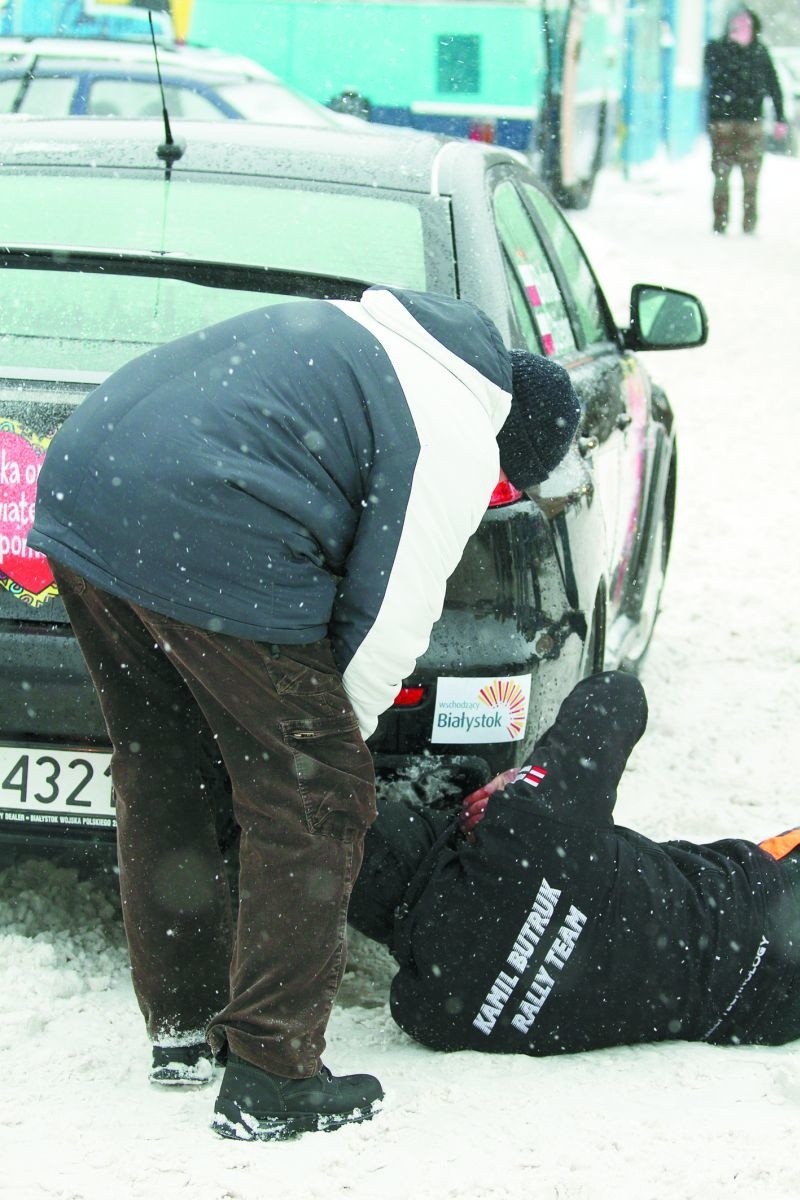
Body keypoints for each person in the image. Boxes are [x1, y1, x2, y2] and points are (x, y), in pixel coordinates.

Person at [28, 285, 580, 1140]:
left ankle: (183, 1025)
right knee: (318, 798)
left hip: (88, 487)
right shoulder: (458, 430)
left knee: (169, 767)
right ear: (514, 445)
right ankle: (273, 1073)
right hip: (205, 522)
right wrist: (325, 761)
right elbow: (392, 617)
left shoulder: (375, 332)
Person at [348, 670, 800, 1055]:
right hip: (768, 914)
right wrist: (519, 783)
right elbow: (616, 694)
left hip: (754, 1018)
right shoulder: (530, 831)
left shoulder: (429, 1012)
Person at [704, 7, 787, 235]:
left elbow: (774, 86)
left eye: (746, 25)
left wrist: (780, 117)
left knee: (750, 179)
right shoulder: (718, 49)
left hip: (750, 124)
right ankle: (720, 222)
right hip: (724, 124)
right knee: (722, 176)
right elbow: (712, 76)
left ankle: (748, 224)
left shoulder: (759, 53)